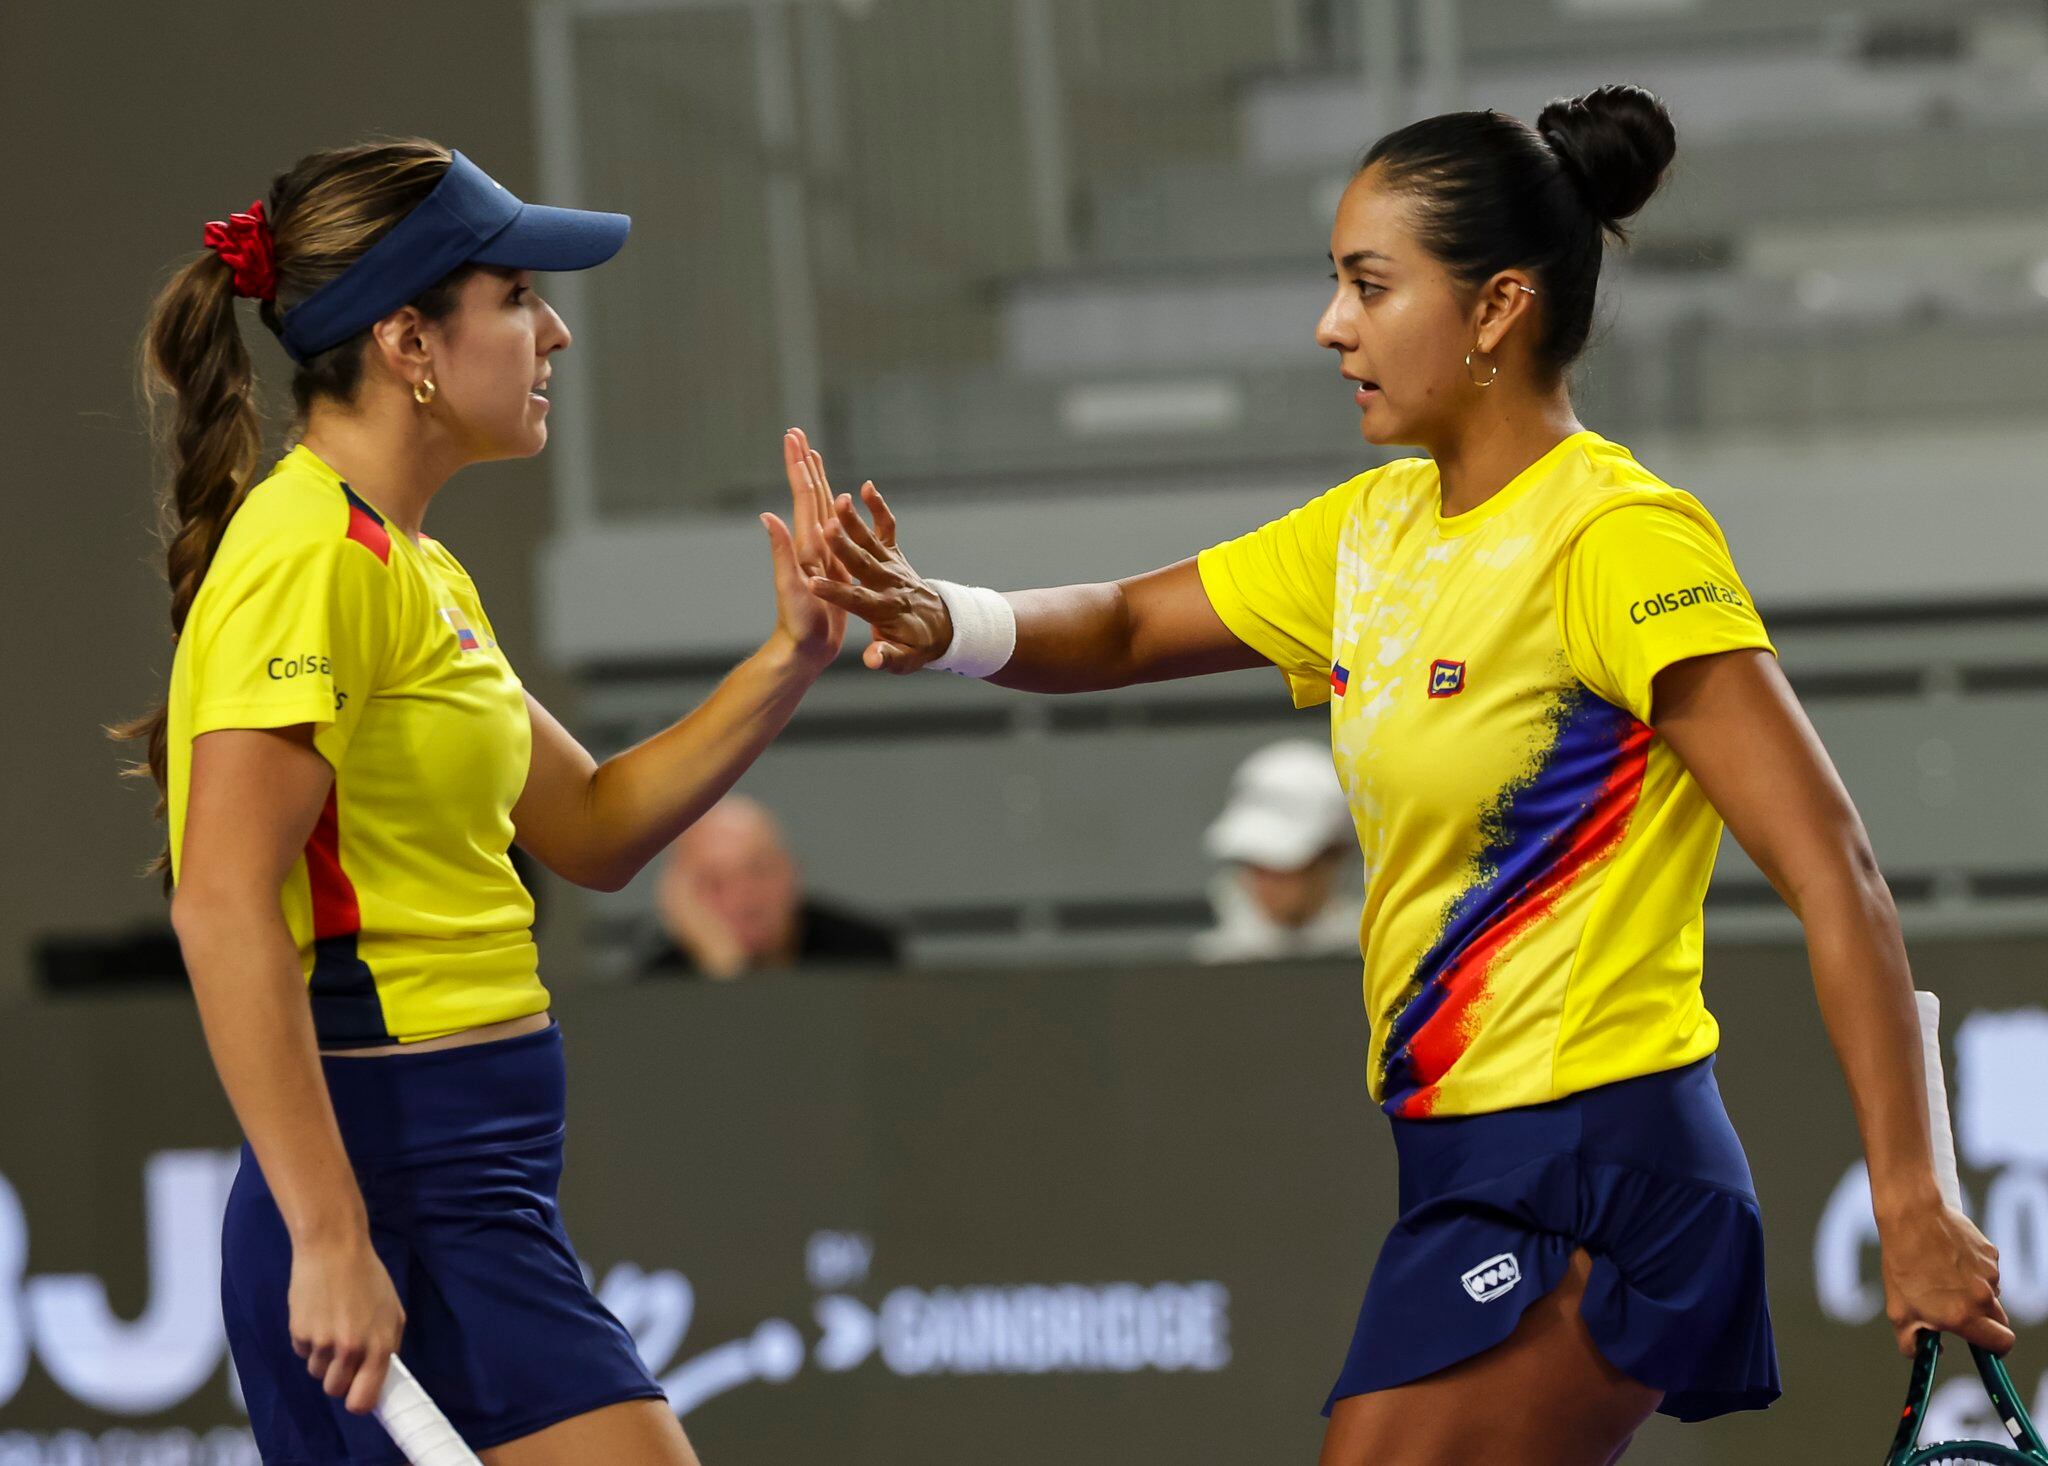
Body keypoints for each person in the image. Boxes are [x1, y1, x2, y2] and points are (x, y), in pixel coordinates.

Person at [778, 86, 2011, 1465]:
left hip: (1602, 1165)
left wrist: (1910, 1197)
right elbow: (1125, 624)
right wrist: (946, 617)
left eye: (1370, 286)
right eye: (1334, 285)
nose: (1332, 326)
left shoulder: (1621, 540)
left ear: (1496, 308)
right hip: (1457, 1160)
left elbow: (1831, 863)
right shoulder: (1371, 534)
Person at [116, 140, 847, 1465]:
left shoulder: (415, 568)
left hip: (474, 1189)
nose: (554, 327)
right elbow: (223, 901)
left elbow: (597, 825)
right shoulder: (308, 558)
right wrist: (333, 1237)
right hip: (388, 1192)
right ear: (411, 343)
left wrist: (790, 654)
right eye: (516, 296)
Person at [639, 795, 901, 978]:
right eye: (714, 882)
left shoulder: (863, 957)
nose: (742, 897)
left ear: (793, 872)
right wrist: (724, 969)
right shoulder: (661, 982)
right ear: (683, 898)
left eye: (759, 870)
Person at [1193, 739, 1361, 964]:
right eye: (1252, 861)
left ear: (1335, 856)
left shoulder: (1387, 970)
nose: (1265, 881)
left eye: (1282, 865)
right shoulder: (1211, 967)